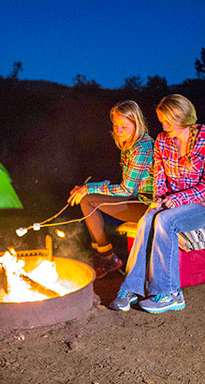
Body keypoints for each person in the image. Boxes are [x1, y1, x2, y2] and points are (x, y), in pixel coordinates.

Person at [110, 94, 205, 313]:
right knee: (148, 217)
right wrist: (158, 197)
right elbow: (159, 176)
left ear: (184, 118)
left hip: (200, 206)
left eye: (169, 120)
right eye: (162, 120)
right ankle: (131, 288)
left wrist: (176, 199)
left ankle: (169, 293)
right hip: (170, 202)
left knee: (166, 220)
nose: (165, 125)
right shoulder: (162, 141)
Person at [69, 100, 154, 279]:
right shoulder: (129, 145)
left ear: (136, 123)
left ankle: (107, 259)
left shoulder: (143, 148)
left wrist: (89, 188)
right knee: (88, 199)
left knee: (87, 199)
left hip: (150, 206)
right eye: (116, 125)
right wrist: (88, 189)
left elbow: (127, 190)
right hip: (138, 200)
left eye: (124, 126)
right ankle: (106, 257)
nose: (118, 130)